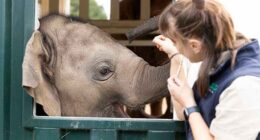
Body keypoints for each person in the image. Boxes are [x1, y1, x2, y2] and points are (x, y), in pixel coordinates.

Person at [152, 0, 260, 139]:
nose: (175, 46)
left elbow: (191, 112)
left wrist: (189, 103)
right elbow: (185, 115)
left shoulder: (244, 86)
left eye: (175, 41)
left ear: (195, 46)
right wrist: (175, 55)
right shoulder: (218, 64)